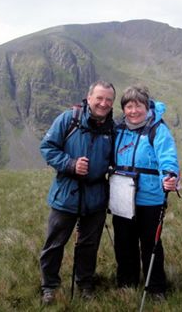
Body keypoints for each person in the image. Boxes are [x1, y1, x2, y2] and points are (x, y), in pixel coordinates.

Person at [39, 80, 116, 305]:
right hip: (66, 194)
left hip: (96, 197)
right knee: (54, 244)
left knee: (89, 246)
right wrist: (71, 164)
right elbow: (47, 148)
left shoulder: (112, 128)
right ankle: (49, 287)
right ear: (89, 97)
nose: (103, 103)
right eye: (99, 98)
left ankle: (85, 284)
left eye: (108, 100)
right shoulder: (69, 119)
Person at [111, 85, 180, 300]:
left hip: (150, 198)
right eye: (128, 106)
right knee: (124, 243)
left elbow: (167, 158)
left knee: (151, 245)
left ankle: (156, 287)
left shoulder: (157, 130)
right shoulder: (118, 129)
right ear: (123, 109)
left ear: (146, 106)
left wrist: (169, 176)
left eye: (138, 105)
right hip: (122, 197)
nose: (133, 111)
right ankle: (127, 282)